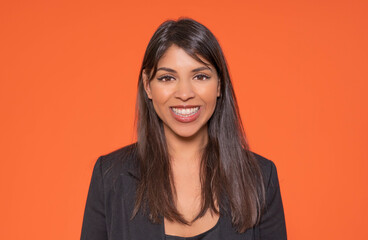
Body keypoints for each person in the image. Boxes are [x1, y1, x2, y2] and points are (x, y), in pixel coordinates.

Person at [81, 18, 287, 240]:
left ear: (219, 84)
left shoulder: (260, 178)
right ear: (148, 85)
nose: (185, 93)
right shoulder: (110, 176)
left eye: (200, 76)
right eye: (168, 78)